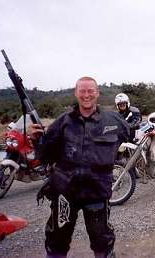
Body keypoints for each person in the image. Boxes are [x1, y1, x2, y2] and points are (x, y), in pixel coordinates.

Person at [30, 77, 130, 258]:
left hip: (97, 193)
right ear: (76, 93)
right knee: (57, 242)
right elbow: (45, 156)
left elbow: (126, 135)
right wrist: (37, 140)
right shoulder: (63, 122)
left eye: (90, 91)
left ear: (97, 93)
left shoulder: (113, 120)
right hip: (65, 193)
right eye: (82, 91)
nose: (86, 95)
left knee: (102, 243)